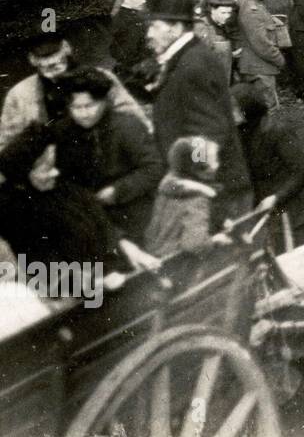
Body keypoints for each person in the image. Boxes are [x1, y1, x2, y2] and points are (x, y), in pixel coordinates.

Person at [144, 0, 251, 225]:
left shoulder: (192, 65)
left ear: (175, 28)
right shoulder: (184, 59)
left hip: (214, 196)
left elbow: (206, 134)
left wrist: (198, 183)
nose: (148, 34)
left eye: (154, 26)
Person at [0, 123, 157, 278]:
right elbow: (46, 269)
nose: (55, 173)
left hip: (111, 273)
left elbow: (103, 224)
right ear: (24, 175)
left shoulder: (65, 188)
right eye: (46, 170)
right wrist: (95, 281)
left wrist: (130, 249)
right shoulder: (17, 214)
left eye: (53, 165)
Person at [51, 67, 163, 244]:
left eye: (90, 105)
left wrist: (118, 190)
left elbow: (154, 167)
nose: (84, 114)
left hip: (133, 213)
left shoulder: (127, 126)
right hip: (91, 218)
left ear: (104, 101)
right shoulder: (62, 132)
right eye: (76, 107)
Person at [1, 31, 147, 153]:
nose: (50, 61)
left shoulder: (101, 78)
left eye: (54, 52)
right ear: (32, 59)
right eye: (42, 56)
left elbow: (136, 120)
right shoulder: (19, 94)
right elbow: (5, 143)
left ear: (66, 47)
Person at [232, 83, 304, 253]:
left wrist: (276, 198)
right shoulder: (241, 134)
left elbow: (302, 171)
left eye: (233, 108)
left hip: (291, 214)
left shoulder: (277, 131)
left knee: (302, 261)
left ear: (247, 108)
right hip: (264, 218)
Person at [146, 136, 223, 259]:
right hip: (180, 263)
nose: (217, 165)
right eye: (213, 161)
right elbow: (194, 244)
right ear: (200, 168)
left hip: (156, 257)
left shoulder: (168, 188)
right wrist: (214, 241)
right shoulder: (197, 199)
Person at [237, 0, 288, 111]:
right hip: (259, 68)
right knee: (268, 109)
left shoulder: (257, 4)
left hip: (260, 67)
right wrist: (279, 59)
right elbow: (261, 44)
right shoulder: (251, 9)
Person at [194, 0, 239, 84]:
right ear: (212, 10)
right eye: (223, 12)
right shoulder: (202, 27)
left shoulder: (223, 23)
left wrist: (231, 53)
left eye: (229, 12)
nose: (227, 16)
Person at [110, 0, 151, 78]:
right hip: (132, 69)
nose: (143, 0)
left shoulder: (133, 13)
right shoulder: (123, 19)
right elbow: (125, 50)